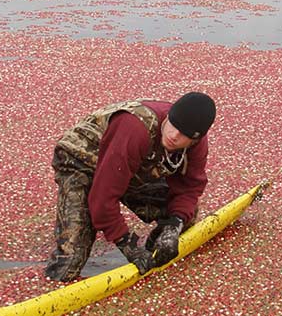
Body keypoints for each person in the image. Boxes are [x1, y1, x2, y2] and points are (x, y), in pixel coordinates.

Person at [44, 92, 216, 282]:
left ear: (195, 140)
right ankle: (55, 282)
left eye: (184, 135)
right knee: (69, 262)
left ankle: (154, 250)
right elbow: (102, 198)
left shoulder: (196, 143)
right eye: (173, 126)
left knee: (185, 216)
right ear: (168, 116)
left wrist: (173, 227)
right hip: (81, 162)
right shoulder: (135, 127)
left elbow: (189, 188)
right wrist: (128, 244)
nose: (175, 136)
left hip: (130, 167)